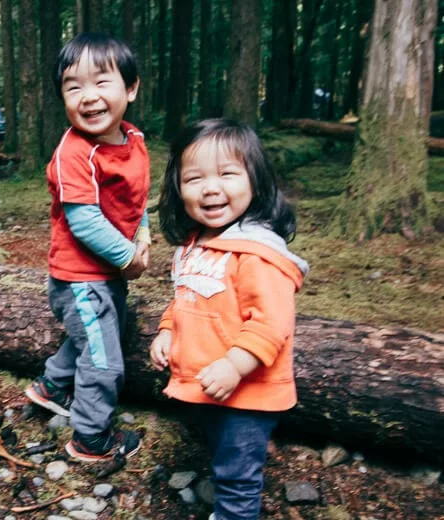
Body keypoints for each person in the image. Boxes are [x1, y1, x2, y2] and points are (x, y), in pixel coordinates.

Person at [150, 119, 309, 520]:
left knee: (238, 477)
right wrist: (168, 330)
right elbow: (186, 296)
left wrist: (235, 365)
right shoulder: (196, 243)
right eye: (194, 178)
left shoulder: (256, 254)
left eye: (227, 174)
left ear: (255, 179)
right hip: (214, 384)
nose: (210, 188)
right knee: (223, 460)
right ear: (177, 188)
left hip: (247, 392)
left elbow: (271, 323)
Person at [23, 32, 151, 462]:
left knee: (98, 337)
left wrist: (144, 234)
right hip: (81, 280)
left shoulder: (133, 140)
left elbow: (136, 198)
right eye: (73, 86)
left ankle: (52, 386)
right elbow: (84, 221)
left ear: (130, 89)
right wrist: (129, 258)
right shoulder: (74, 154)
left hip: (104, 276)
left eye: (102, 82)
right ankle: (91, 437)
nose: (88, 96)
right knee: (104, 362)